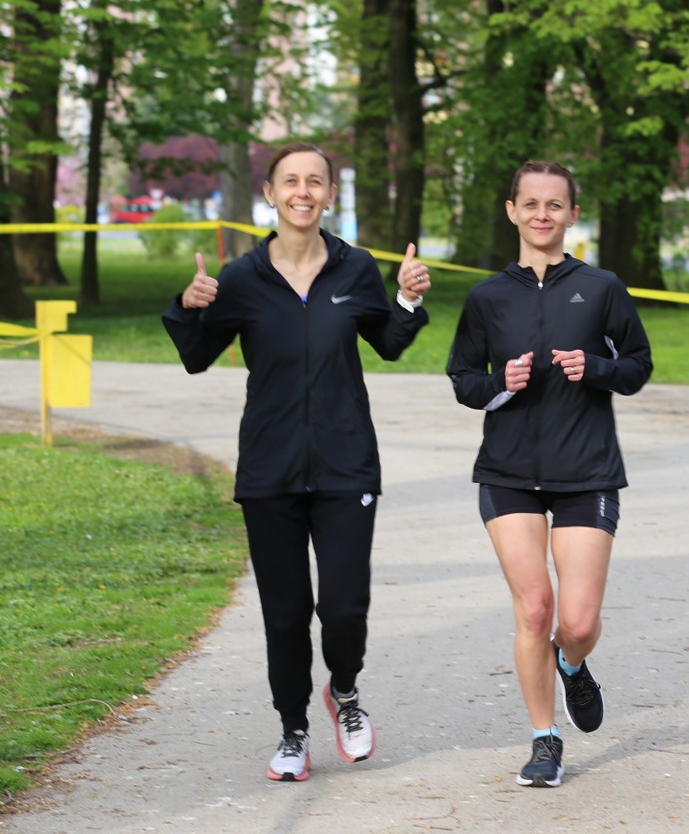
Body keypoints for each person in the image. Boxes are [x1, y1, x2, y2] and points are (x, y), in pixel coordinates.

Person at [162, 141, 431, 782]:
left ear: (330, 195)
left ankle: (343, 692)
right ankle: (292, 730)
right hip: (269, 470)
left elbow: (389, 343)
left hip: (345, 465)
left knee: (343, 606)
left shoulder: (356, 269)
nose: (303, 191)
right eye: (291, 181)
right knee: (284, 615)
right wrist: (189, 304)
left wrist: (409, 301)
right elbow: (198, 355)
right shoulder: (241, 279)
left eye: (316, 182)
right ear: (271, 193)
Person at [446, 160, 652, 788]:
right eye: (530, 203)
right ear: (511, 210)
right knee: (535, 609)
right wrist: (496, 383)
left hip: (586, 470)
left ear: (571, 215)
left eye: (554, 205)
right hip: (507, 472)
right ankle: (544, 738)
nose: (542, 214)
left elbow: (638, 367)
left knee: (578, 622)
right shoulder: (487, 297)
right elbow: (462, 380)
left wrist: (594, 366)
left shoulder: (603, 287)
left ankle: (572, 662)